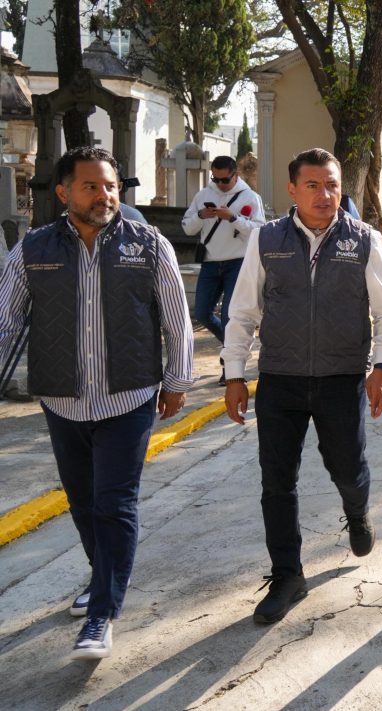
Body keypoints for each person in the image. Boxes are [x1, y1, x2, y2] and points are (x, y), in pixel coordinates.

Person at [0, 146, 193, 660]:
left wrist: (177, 380)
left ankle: (101, 614)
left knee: (114, 503)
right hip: (62, 399)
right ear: (64, 192)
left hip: (128, 396)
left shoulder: (149, 245)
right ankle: (101, 576)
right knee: (83, 502)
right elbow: (6, 321)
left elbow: (175, 318)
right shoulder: (32, 250)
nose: (104, 195)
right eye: (91, 186)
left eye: (110, 186)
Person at [222, 148, 382, 624]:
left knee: (348, 468)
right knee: (276, 481)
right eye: (314, 186)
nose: (325, 195)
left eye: (332, 185)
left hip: (341, 378)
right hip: (279, 379)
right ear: (293, 190)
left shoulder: (363, 240)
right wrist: (235, 374)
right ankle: (287, 575)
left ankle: (357, 511)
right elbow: (243, 311)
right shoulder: (267, 239)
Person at [182, 155, 265, 385]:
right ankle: (232, 349)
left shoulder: (250, 197)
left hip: (237, 262)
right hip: (210, 262)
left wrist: (233, 218)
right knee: (202, 313)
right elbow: (188, 228)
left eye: (224, 180)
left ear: (235, 175)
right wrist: (201, 215)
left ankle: (230, 368)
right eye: (215, 179)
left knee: (230, 316)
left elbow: (259, 231)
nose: (219, 184)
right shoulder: (203, 195)